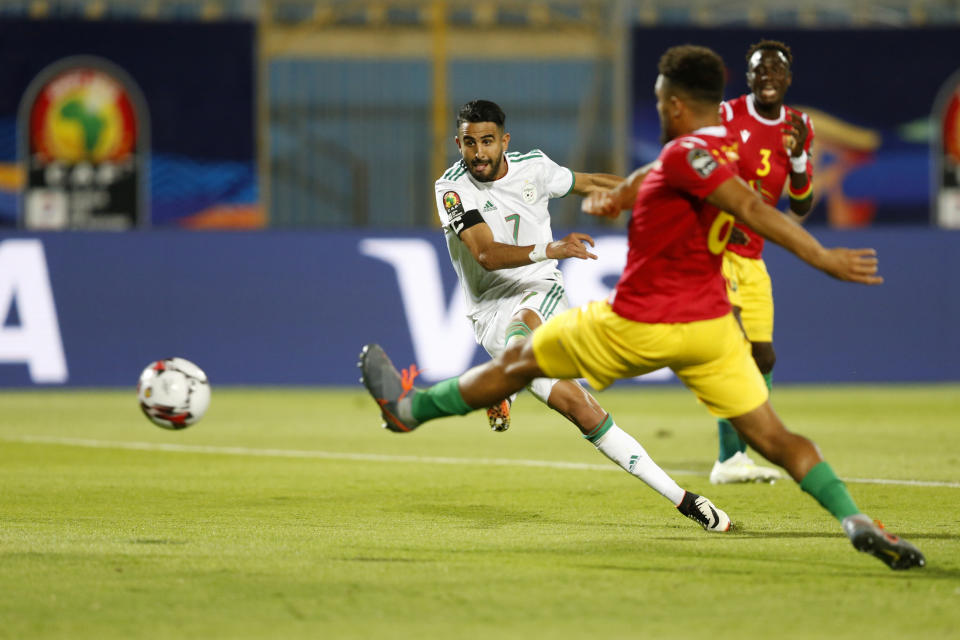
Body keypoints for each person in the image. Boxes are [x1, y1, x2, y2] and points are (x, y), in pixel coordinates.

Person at [359, 46, 925, 570]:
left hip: (640, 322)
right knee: (777, 439)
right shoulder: (727, 150)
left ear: (676, 105)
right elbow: (708, 192)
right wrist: (621, 195)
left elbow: (744, 206)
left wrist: (822, 258)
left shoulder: (684, 154)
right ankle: (854, 520)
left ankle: (410, 411)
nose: (655, 106)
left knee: (517, 362)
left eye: (658, 99)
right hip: (711, 331)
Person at [418, 98, 731, 533]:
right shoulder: (451, 188)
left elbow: (592, 183)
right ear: (458, 143)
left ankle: (685, 500)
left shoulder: (534, 168)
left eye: (487, 141)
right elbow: (486, 255)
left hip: (538, 290)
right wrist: (553, 247)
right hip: (485, 313)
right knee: (580, 409)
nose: (479, 153)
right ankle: (506, 379)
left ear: (504, 141)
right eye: (469, 143)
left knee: (523, 327)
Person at [708, 39, 816, 484]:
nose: (768, 76)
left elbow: (803, 203)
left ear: (788, 79)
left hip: (753, 253)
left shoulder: (799, 124)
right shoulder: (726, 115)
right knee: (732, 350)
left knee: (764, 357)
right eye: (759, 69)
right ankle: (728, 460)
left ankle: (734, 457)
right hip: (715, 249)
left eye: (776, 70)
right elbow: (701, 169)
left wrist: (795, 156)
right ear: (749, 77)